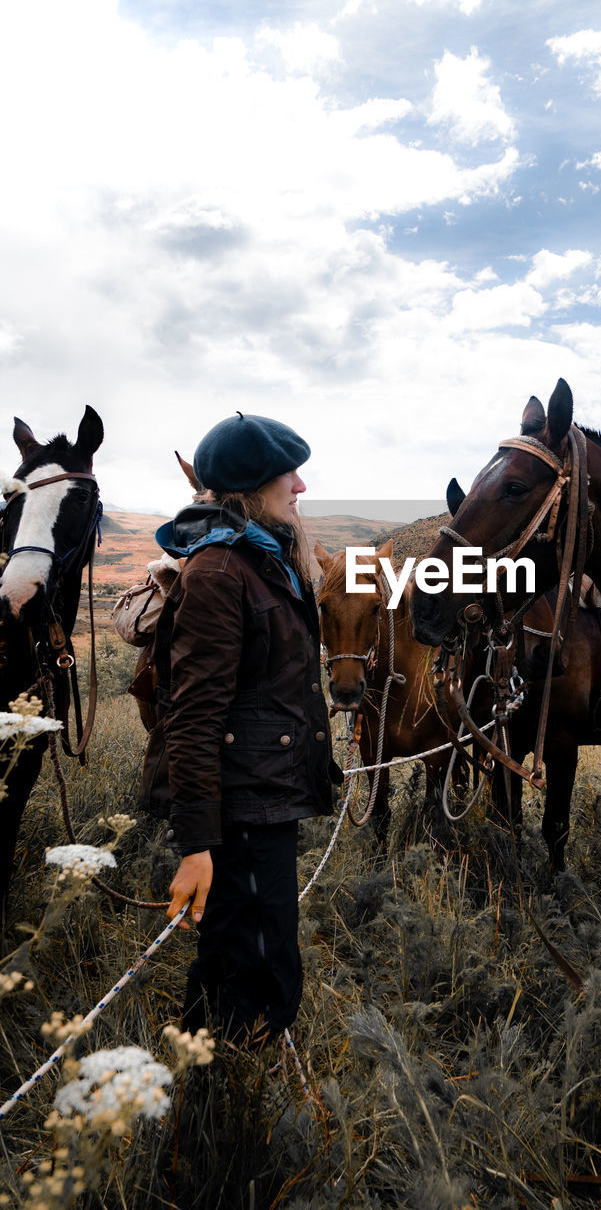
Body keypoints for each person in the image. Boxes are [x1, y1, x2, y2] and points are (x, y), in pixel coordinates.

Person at [140, 411, 340, 1046]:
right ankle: (230, 1104)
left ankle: (199, 1071)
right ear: (255, 487)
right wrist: (197, 847)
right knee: (260, 976)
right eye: (289, 475)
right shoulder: (221, 573)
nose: (301, 487)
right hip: (242, 813)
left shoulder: (260, 560)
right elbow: (193, 719)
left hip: (263, 799)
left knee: (238, 955)